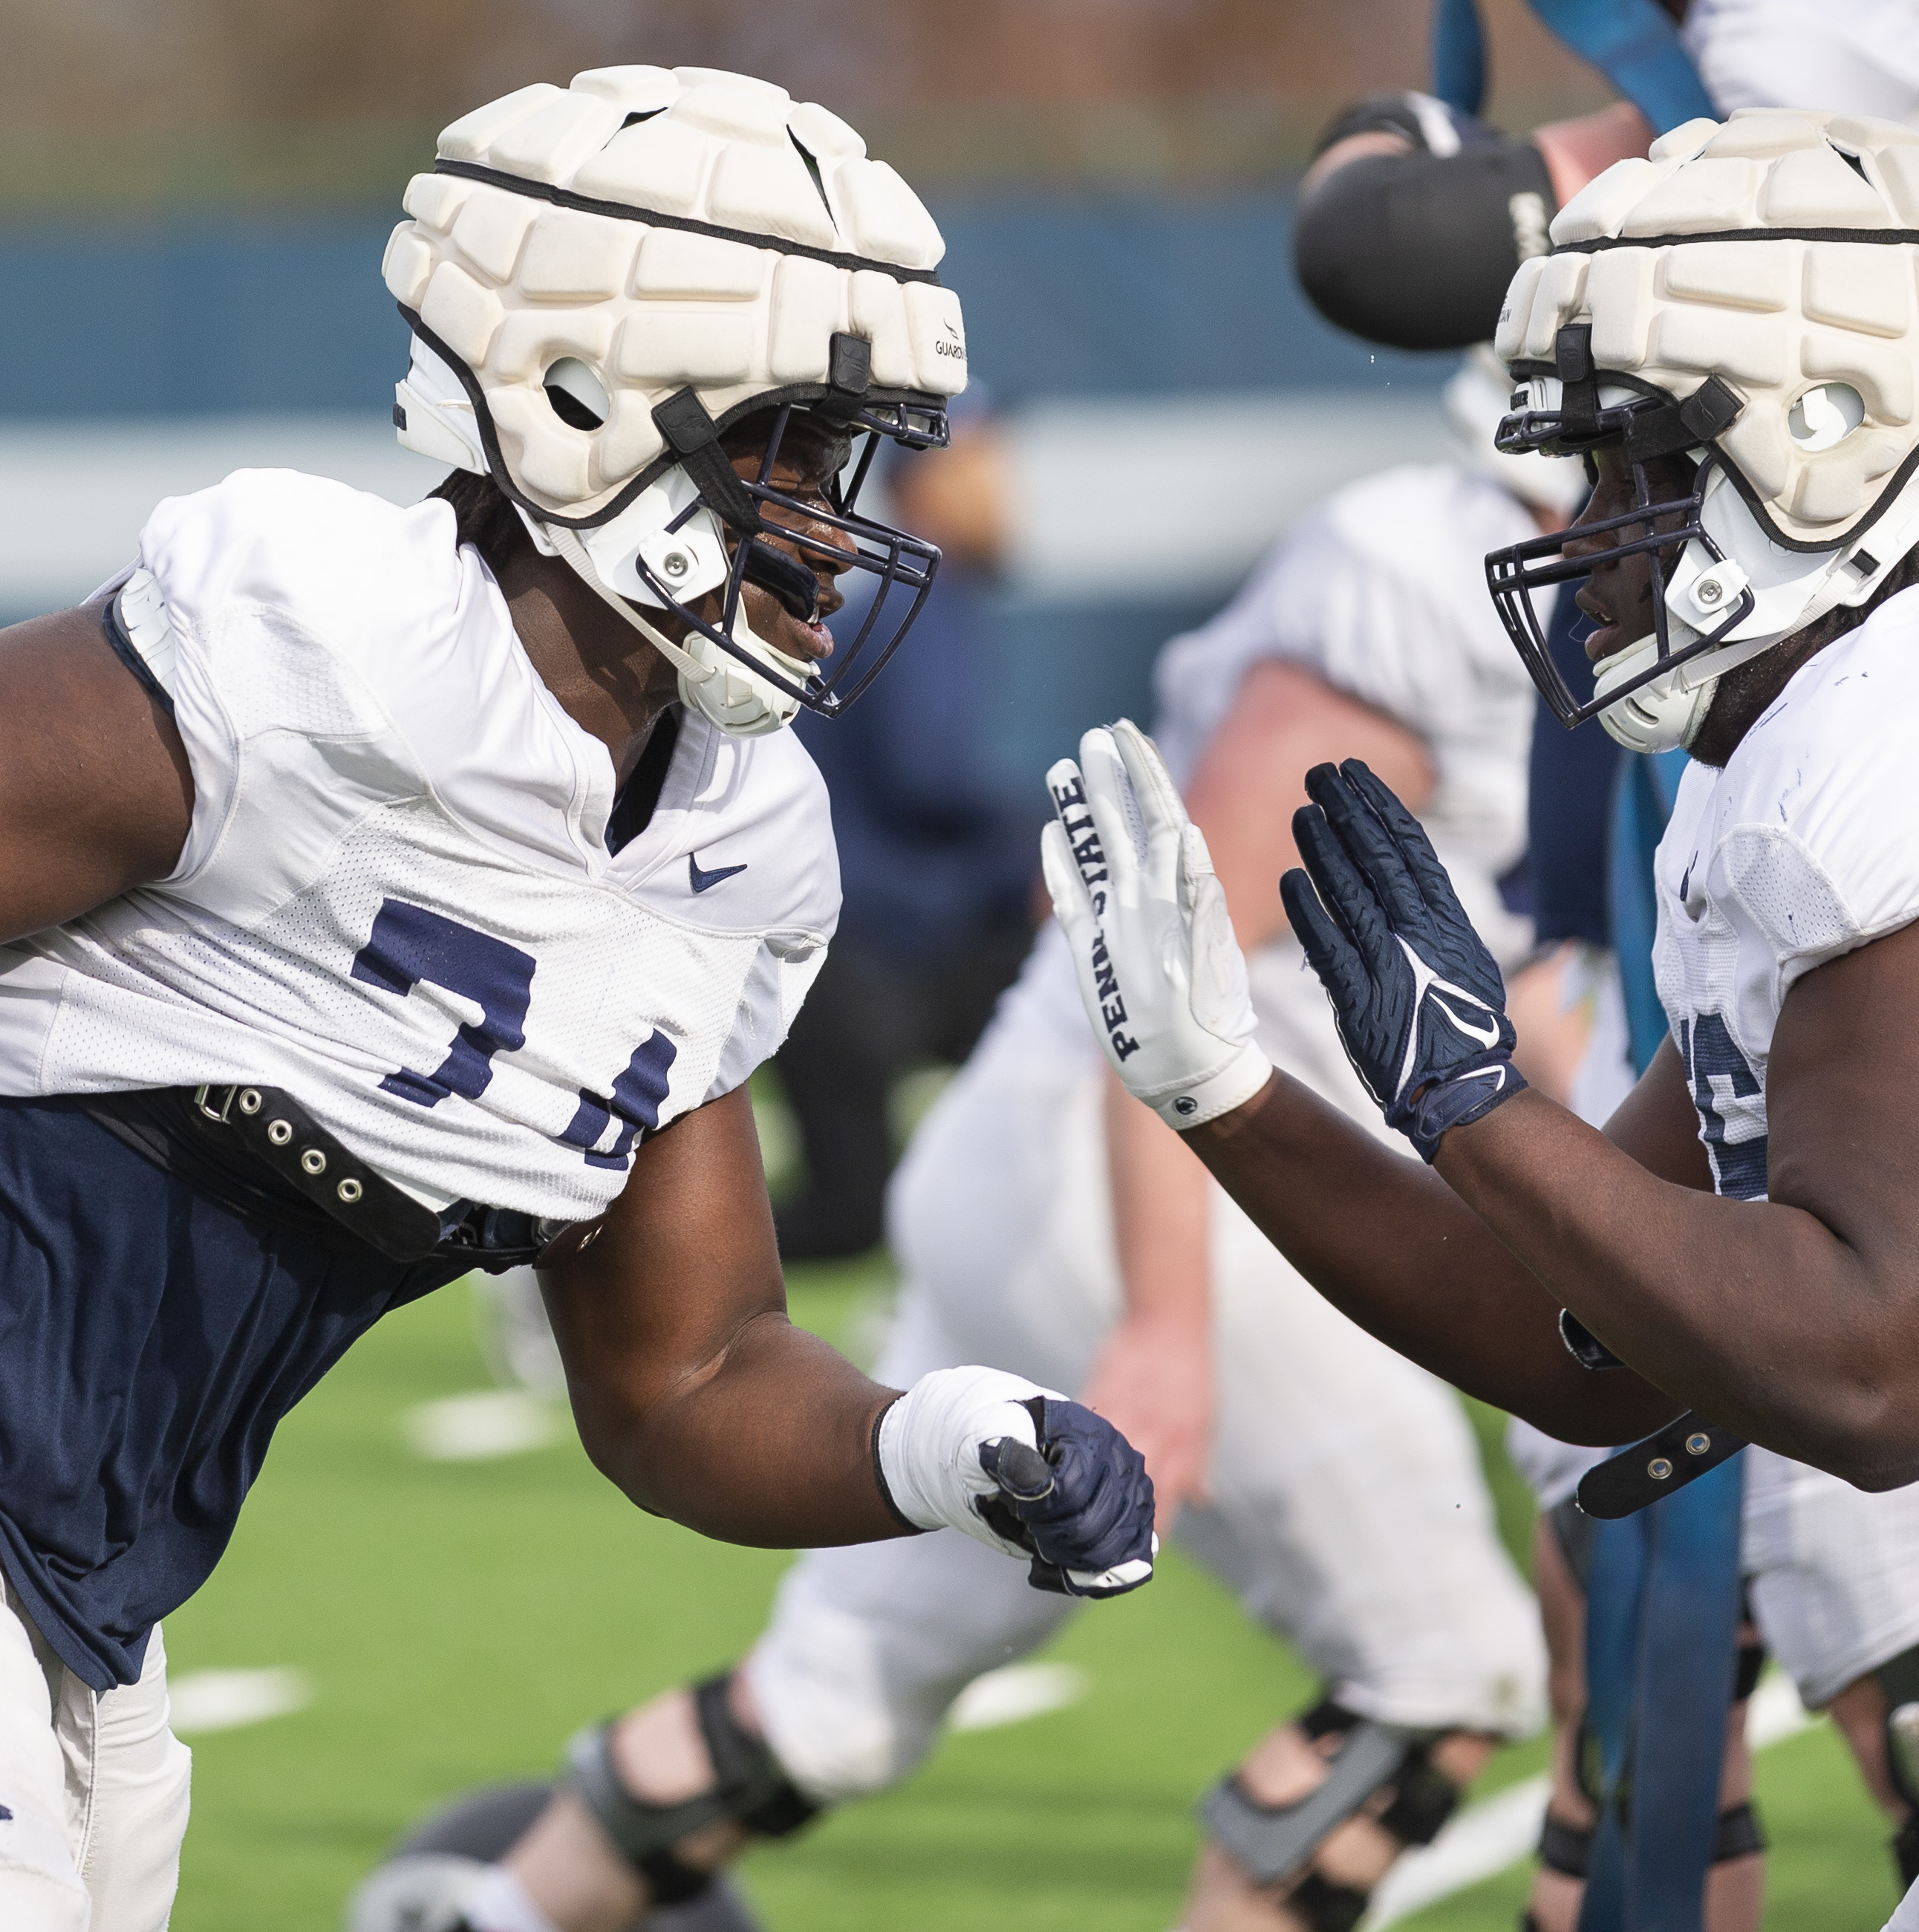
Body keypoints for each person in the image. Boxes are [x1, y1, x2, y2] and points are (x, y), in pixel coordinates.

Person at [0, 65, 1160, 1932]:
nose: (837, 525)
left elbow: (683, 1375)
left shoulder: (738, 847)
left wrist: (943, 1443)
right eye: (792, 448)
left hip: (82, 1561)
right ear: (582, 405)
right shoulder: (321, 641)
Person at [1053, 109, 1919, 1928]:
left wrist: (1476, 1105)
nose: (1590, 531)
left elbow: (1873, 1372)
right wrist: (1229, 1088)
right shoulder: (1830, 728)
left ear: (1833, 443)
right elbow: (1590, 1337)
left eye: (1640, 466)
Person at [351, 345, 1581, 1932]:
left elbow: (1526, 976)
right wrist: (1167, 1320)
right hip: (1146, 1169)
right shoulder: (1426, 583)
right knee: (1440, 1671)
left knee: (840, 1681)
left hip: (1037, 1158)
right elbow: (1176, 982)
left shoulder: (1513, 591)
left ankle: (496, 1912)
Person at [1288, 1, 1919, 1895]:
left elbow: (1377, 249)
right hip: (1868, 747)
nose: (1596, 515)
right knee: (1671, 1654)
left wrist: (1389, 123)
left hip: (1852, 805)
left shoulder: (1830, 63)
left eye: (1631, 461)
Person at [769, 408, 1033, 1262]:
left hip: (883, 952)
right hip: (854, 966)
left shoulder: (933, 606)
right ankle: (591, 1246)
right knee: (848, 1217)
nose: (1006, 488)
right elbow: (933, 783)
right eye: (985, 463)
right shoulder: (922, 606)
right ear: (928, 484)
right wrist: (1051, 840)